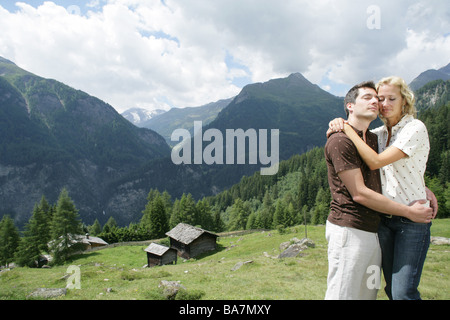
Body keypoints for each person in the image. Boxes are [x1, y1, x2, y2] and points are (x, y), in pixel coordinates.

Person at [328, 76, 435, 300]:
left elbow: (376, 162)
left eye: (390, 98)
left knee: (402, 291)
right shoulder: (380, 134)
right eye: (379, 98)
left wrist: (345, 128)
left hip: (410, 220)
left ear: (404, 102)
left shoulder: (413, 127)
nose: (382, 103)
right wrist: (340, 124)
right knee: (385, 290)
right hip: (382, 221)